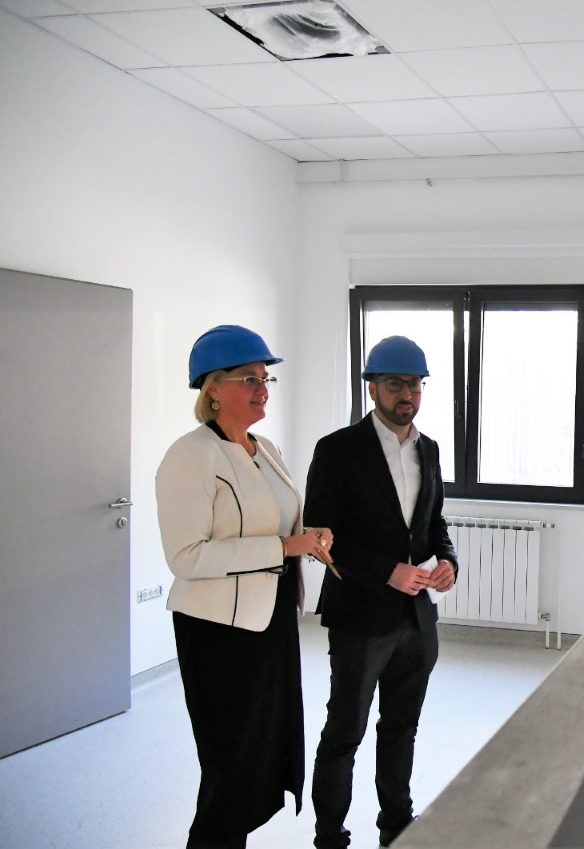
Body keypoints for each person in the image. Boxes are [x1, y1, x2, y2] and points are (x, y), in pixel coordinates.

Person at [156, 325, 333, 849]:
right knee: (228, 765)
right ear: (213, 388)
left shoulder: (266, 448)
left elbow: (275, 523)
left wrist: (309, 537)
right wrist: (284, 547)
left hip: (270, 619)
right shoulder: (189, 455)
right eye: (249, 379)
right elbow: (186, 557)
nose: (262, 389)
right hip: (215, 631)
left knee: (260, 754)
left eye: (265, 378)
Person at [306, 335, 457, 849]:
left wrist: (449, 561)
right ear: (371, 387)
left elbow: (434, 523)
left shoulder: (428, 450)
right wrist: (385, 572)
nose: (406, 394)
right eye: (394, 383)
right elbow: (320, 537)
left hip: (417, 620)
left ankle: (396, 826)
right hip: (360, 617)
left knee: (401, 728)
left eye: (414, 384)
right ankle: (330, 835)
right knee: (345, 732)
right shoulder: (337, 450)